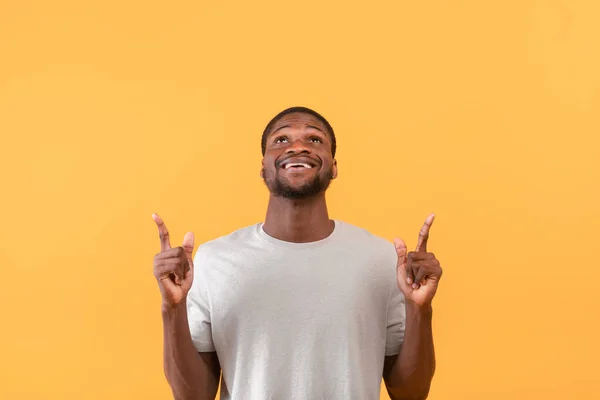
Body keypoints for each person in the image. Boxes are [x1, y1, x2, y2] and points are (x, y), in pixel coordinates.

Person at [151, 106, 443, 400]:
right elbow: (193, 396)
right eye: (281, 140)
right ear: (263, 167)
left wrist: (421, 310)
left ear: (334, 166)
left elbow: (411, 394)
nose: (298, 146)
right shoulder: (214, 260)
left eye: (314, 140)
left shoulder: (381, 259)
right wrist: (171, 309)